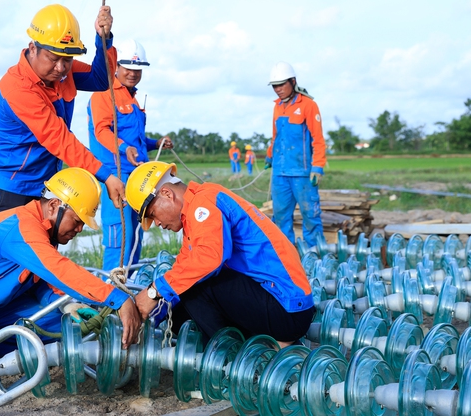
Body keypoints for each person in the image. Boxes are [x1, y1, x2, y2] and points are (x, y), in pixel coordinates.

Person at [0, 168, 141, 381]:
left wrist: (65, 306)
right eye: (78, 220)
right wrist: (118, 298)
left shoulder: (43, 234)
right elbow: (59, 270)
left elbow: (40, 284)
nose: (79, 229)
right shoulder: (21, 227)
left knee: (61, 323)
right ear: (54, 206)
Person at [126, 161, 314, 347]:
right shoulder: (192, 219)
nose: (157, 223)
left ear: (167, 194)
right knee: (175, 309)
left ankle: (229, 358)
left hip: (288, 309)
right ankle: (254, 346)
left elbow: (208, 259)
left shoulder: (204, 203)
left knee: (195, 284)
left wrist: (154, 292)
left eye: (153, 214)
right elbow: (182, 269)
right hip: (271, 302)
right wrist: (153, 311)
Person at [0, 4, 126, 218]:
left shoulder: (63, 73)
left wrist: (104, 40)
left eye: (67, 59)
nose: (60, 67)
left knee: (44, 251)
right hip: (9, 189)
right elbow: (59, 138)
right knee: (12, 251)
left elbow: (101, 80)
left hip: (44, 188)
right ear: (32, 48)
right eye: (53, 58)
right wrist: (106, 176)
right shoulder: (17, 88)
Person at [87, 39, 173, 271]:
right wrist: (125, 149)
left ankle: (131, 287)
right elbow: (101, 131)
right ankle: (111, 288)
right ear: (116, 66)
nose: (133, 73)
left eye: (138, 69)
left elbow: (136, 141)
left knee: (136, 232)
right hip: (116, 175)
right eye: (128, 68)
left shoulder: (132, 98)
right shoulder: (103, 94)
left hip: (138, 177)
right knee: (119, 233)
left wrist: (156, 143)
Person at [264, 61, 326, 250]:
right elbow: (276, 137)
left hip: (302, 174)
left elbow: (318, 139)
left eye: (281, 84)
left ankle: (315, 256)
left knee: (310, 215)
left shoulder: (308, 105)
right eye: (275, 86)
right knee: (280, 216)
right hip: (280, 173)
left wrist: (318, 166)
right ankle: (287, 257)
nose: (277, 89)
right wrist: (269, 156)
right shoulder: (277, 107)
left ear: (293, 81)